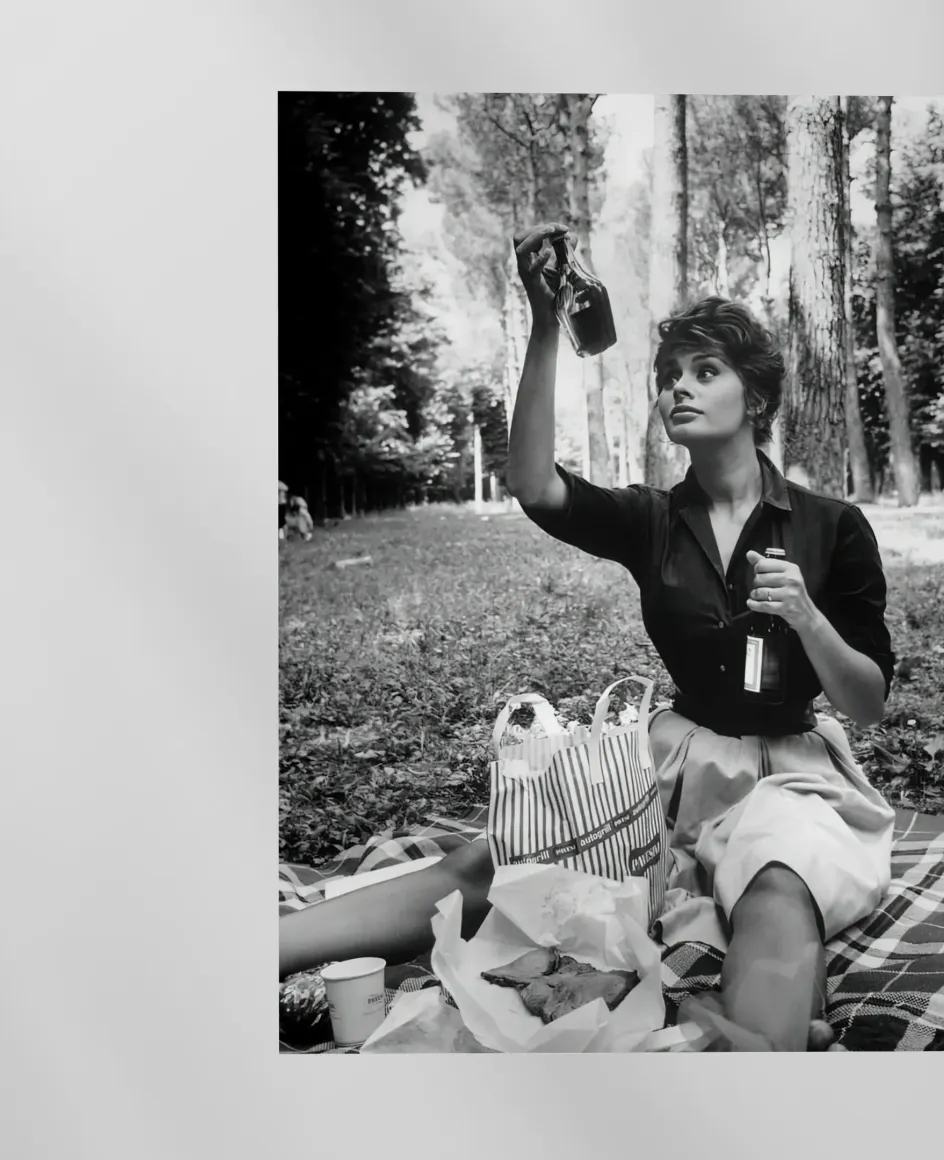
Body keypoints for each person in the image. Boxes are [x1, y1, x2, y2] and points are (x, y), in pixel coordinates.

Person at [279, 222, 897, 1052]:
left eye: (704, 371)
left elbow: (869, 701)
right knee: (498, 862)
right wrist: (544, 326)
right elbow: (535, 484)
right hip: (671, 764)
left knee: (779, 880)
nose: (677, 389)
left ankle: (751, 1054)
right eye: (668, 376)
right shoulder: (651, 520)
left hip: (788, 771)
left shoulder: (833, 527)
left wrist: (808, 618)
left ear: (755, 399)